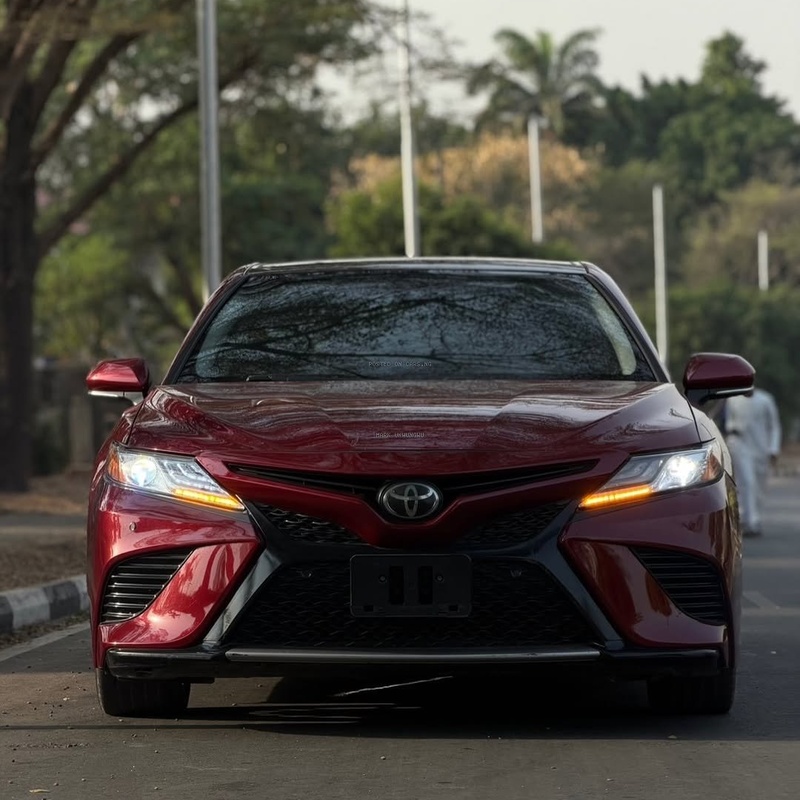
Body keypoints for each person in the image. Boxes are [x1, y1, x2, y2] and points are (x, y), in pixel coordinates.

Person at [723, 388, 782, 537]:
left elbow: (774, 426)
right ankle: (750, 522)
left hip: (761, 448)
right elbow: (729, 422)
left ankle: (753, 518)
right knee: (747, 482)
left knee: (758, 486)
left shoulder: (766, 400)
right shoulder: (732, 399)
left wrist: (773, 449)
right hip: (739, 445)